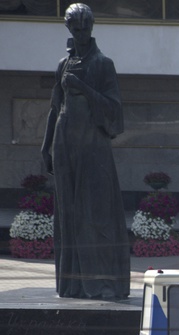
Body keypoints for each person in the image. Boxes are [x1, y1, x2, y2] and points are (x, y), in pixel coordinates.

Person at [41, 3, 130, 300]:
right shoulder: (62, 64)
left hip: (93, 148)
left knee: (96, 215)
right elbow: (55, 108)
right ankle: (72, 283)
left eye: (84, 28)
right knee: (69, 216)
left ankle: (102, 283)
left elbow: (115, 110)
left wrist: (83, 87)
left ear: (92, 28)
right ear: (68, 29)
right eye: (75, 28)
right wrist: (46, 147)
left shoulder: (103, 64)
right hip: (66, 146)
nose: (80, 33)